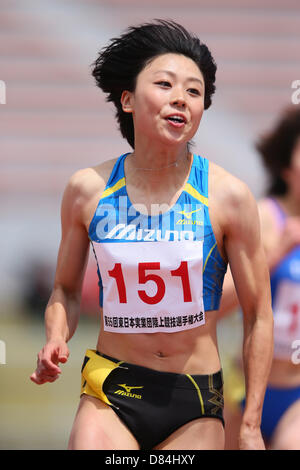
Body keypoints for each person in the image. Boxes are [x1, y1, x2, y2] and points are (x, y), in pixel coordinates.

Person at [30, 20, 273, 450]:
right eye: (165, 84)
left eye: (194, 91)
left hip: (195, 399)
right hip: (111, 392)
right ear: (127, 99)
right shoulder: (87, 190)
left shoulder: (229, 197)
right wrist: (55, 335)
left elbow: (258, 316)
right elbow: (65, 290)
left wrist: (250, 425)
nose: (181, 98)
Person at [220, 107, 300, 450]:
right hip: (245, 387)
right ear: (286, 165)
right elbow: (216, 304)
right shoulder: (263, 217)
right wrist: (276, 252)